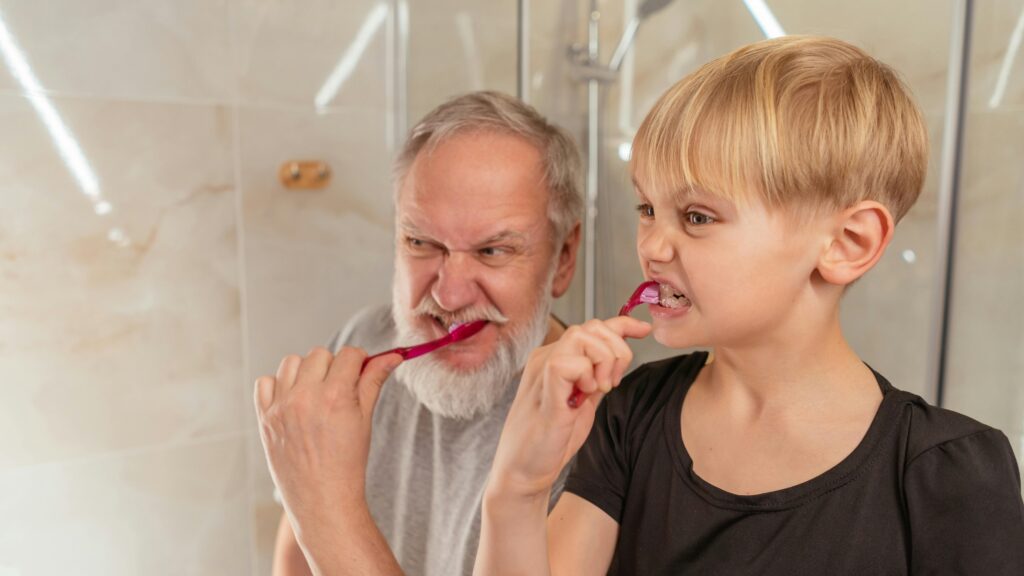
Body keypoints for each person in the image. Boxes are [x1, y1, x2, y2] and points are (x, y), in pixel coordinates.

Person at [474, 36, 1024, 575]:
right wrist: (516, 491)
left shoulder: (946, 471)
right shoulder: (628, 418)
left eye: (696, 216)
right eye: (647, 208)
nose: (651, 246)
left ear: (847, 243)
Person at [253, 91, 583, 576]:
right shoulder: (365, 340)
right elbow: (295, 556)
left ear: (564, 259)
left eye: (493, 251)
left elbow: (319, 529)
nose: (448, 296)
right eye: (420, 242)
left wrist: (329, 512)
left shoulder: (599, 427)